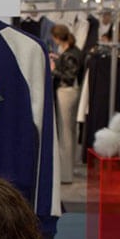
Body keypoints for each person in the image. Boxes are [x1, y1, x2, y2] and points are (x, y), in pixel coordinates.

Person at [51, 24, 84, 184]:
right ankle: (68, 169)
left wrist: (53, 69)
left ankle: (65, 174)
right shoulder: (72, 51)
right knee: (69, 131)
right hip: (70, 92)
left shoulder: (71, 53)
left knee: (65, 132)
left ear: (57, 37)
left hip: (66, 92)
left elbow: (68, 76)